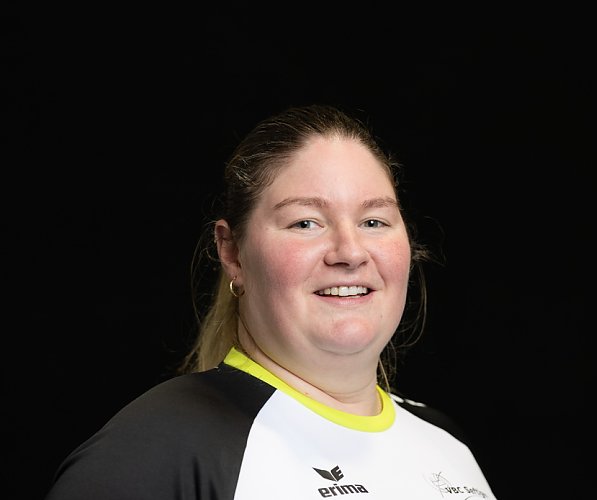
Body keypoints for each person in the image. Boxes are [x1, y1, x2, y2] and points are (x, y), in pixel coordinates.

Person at [45, 104, 498, 499]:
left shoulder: (446, 443)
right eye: (305, 222)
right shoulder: (156, 452)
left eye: (374, 221)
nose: (350, 252)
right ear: (232, 252)